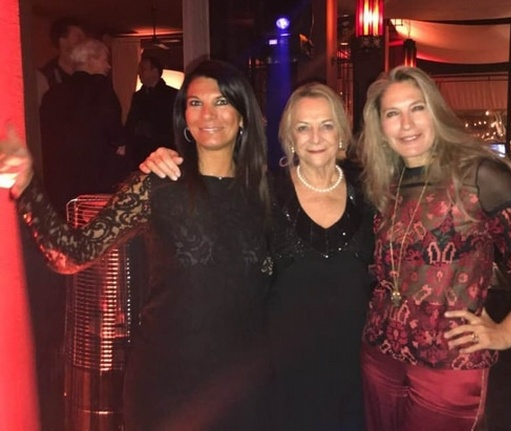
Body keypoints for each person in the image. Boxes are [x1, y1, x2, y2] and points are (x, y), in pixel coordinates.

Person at [1, 59, 273, 430]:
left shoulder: (268, 194)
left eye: (221, 101)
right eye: (195, 103)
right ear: (184, 119)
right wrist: (27, 184)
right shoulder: (158, 184)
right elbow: (71, 254)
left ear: (243, 116)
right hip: (168, 385)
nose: (208, 113)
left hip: (243, 388)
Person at [357, 66, 511, 431]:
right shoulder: (385, 185)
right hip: (380, 356)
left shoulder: (477, 176)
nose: (406, 124)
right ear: (380, 127)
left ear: (435, 112)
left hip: (449, 363)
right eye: (392, 113)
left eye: (417, 108)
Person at [139, 82, 375, 431]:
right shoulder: (264, 191)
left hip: (354, 367)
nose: (315, 137)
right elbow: (213, 202)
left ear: (341, 132)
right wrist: (169, 161)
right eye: (303, 128)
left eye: (326, 125)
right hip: (283, 372)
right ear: (289, 138)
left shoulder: (369, 192)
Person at [39, 38, 129, 216]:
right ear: (91, 60)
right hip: (96, 175)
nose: (108, 66)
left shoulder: (53, 93)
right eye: (105, 60)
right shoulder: (101, 88)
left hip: (60, 176)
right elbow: (112, 126)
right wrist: (121, 145)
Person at [125, 56, 178, 166]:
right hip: (139, 152)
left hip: (164, 149)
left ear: (155, 71)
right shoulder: (138, 96)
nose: (139, 73)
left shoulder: (172, 95)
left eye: (143, 69)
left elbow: (175, 124)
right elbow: (131, 122)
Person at [38, 17, 87, 103]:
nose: (84, 42)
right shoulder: (46, 76)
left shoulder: (88, 73)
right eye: (78, 37)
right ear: (62, 41)